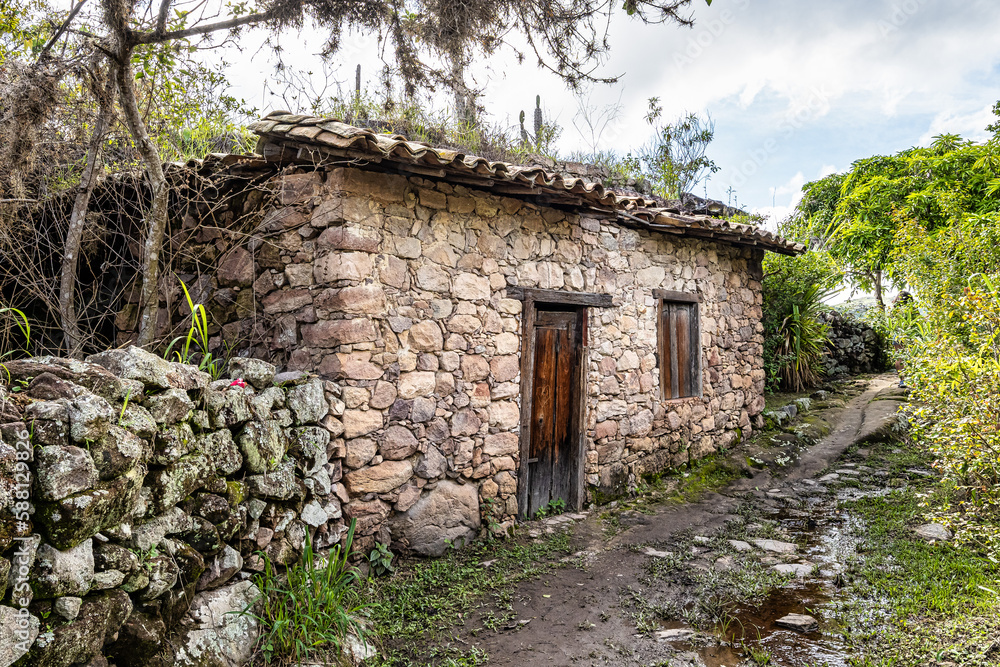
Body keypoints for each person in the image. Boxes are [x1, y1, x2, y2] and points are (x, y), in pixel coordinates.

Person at [891, 291, 917, 388]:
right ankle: (912, 379)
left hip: (897, 334)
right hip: (910, 333)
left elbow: (891, 322)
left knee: (899, 357)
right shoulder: (912, 308)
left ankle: (902, 380)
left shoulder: (895, 309)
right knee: (912, 356)